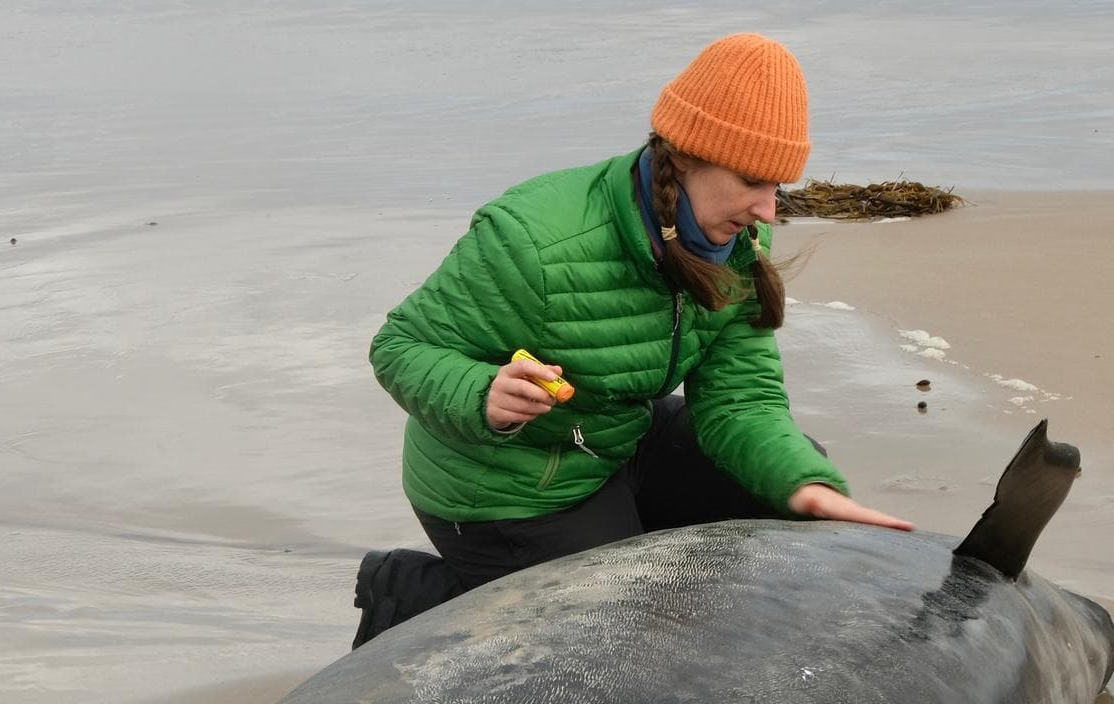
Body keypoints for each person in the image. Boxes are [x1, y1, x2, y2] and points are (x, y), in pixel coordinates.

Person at [353, 32, 914, 649]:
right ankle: (419, 596)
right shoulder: (534, 241)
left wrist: (804, 486)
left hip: (613, 442)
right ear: (686, 157)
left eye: (777, 185)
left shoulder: (739, 243)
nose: (769, 210)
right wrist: (480, 392)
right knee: (621, 636)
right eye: (753, 180)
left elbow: (740, 401)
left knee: (777, 486)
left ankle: (626, 553)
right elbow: (400, 346)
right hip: (505, 487)